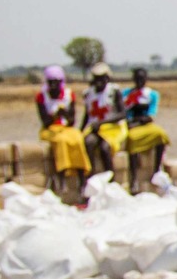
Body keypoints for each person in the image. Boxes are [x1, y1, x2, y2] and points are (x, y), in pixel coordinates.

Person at [33, 66, 89, 204]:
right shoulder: (41, 96)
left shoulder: (69, 95)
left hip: (66, 128)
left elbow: (72, 121)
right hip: (50, 129)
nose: (54, 85)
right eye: (51, 82)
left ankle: (82, 177)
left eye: (57, 82)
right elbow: (45, 121)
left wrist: (65, 114)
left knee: (77, 138)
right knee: (61, 141)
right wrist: (54, 115)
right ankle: (62, 177)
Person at [120, 67, 170, 193]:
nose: (139, 81)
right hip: (130, 125)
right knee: (131, 138)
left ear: (146, 79)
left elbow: (150, 115)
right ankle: (134, 178)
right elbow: (123, 112)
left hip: (145, 124)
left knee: (160, 135)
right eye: (137, 78)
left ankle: (156, 170)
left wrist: (138, 120)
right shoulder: (125, 94)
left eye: (142, 78)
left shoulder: (152, 94)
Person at [80, 62, 124, 177]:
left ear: (107, 78)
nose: (99, 81)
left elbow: (122, 114)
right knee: (88, 143)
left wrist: (102, 123)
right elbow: (87, 115)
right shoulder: (88, 94)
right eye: (96, 78)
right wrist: (80, 131)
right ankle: (91, 176)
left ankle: (110, 179)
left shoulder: (114, 91)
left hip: (112, 128)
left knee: (105, 148)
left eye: (102, 78)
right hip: (94, 128)